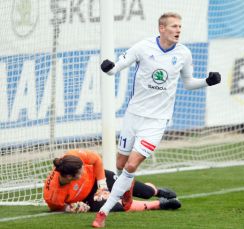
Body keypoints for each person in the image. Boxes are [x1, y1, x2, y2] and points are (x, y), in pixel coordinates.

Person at [92, 12, 221, 227]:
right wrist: (108, 67)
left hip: (157, 121)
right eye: (173, 26)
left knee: (131, 165)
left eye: (179, 26)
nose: (178, 30)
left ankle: (103, 214)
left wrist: (207, 81)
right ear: (162, 28)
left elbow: (188, 83)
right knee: (120, 164)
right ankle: (127, 192)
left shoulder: (183, 54)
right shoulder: (143, 47)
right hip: (133, 116)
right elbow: (116, 68)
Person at [43, 149, 181, 213]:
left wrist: (102, 186)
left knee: (145, 192)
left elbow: (96, 159)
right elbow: (57, 207)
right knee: (117, 206)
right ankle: (159, 205)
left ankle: (155, 191)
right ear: (69, 177)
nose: (84, 171)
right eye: (80, 172)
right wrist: (70, 208)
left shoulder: (72, 157)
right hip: (89, 198)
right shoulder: (52, 194)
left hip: (99, 178)